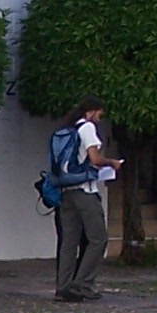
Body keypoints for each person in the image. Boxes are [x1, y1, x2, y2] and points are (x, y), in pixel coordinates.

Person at [50, 98, 121, 301]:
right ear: (91, 112)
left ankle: (63, 287)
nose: (100, 118)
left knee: (69, 242)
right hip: (84, 191)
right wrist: (112, 163)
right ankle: (82, 284)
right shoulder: (87, 128)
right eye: (99, 113)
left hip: (66, 191)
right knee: (98, 238)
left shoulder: (67, 129)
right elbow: (95, 160)